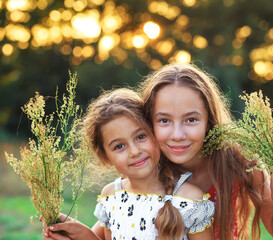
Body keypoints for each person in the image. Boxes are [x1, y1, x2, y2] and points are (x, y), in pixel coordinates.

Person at [139, 63, 273, 240]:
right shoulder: (143, 171)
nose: (178, 135)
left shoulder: (239, 162)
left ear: (209, 120)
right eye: (164, 120)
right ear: (149, 123)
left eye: (191, 119)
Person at [43, 88, 215, 240]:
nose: (134, 151)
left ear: (154, 134)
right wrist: (83, 235)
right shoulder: (111, 196)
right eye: (119, 146)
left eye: (141, 137)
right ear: (105, 157)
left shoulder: (189, 200)